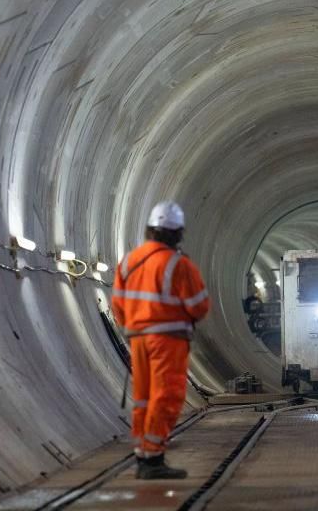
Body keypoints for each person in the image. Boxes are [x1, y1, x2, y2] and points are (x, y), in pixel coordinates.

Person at [111, 201, 210, 479]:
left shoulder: (129, 261)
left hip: (137, 340)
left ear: (149, 229)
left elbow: (118, 305)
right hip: (167, 341)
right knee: (167, 395)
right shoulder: (179, 265)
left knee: (143, 398)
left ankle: (143, 454)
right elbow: (199, 306)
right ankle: (154, 457)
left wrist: (133, 325)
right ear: (177, 233)